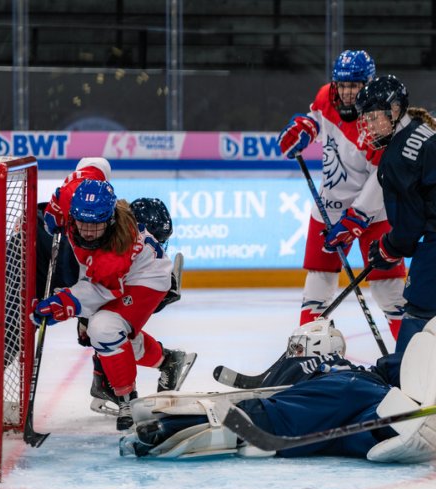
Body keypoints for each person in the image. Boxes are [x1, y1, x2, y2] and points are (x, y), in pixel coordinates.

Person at [120, 317, 436, 463]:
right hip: (366, 396)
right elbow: (402, 364)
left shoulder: (311, 364)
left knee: (281, 419)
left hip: (350, 395)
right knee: (345, 433)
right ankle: (395, 426)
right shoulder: (342, 367)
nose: (295, 350)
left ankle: (169, 426)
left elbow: (263, 386)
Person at [32, 157, 196, 431]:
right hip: (106, 274)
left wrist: (64, 304)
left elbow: (97, 290)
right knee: (110, 336)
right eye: (82, 223)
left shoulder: (113, 255)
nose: (87, 231)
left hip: (145, 279)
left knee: (104, 328)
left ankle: (127, 399)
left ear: (109, 221)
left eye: (96, 226)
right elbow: (95, 164)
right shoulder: (78, 196)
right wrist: (56, 205)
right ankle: (169, 360)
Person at [277, 50, 406, 338]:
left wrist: (358, 216)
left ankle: (410, 352)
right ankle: (306, 348)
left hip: (374, 214)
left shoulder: (381, 117)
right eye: (343, 84)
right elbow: (317, 119)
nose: (347, 92)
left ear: (367, 83)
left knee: (389, 290)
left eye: (355, 85)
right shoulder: (326, 96)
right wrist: (306, 128)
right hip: (330, 206)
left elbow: (383, 174)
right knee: (317, 285)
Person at [354, 75, 436, 384]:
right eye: (366, 118)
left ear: (395, 110)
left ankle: (405, 386)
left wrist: (388, 247)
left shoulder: (396, 157)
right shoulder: (422, 129)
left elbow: (408, 228)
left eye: (374, 117)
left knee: (418, 308)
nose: (369, 125)